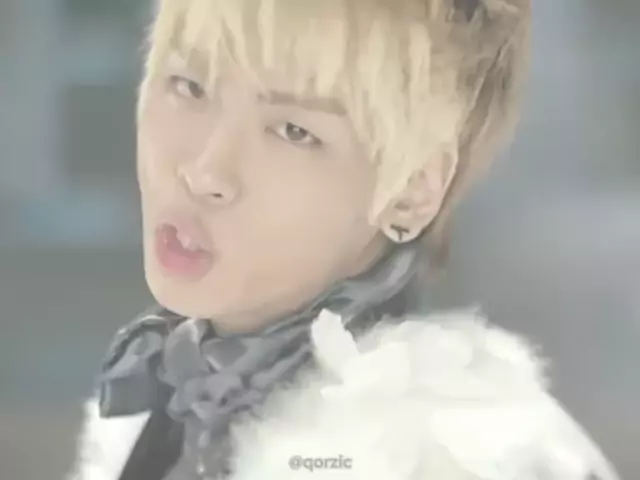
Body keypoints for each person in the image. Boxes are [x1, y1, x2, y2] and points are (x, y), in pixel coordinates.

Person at [66, 0, 621, 479]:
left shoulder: (461, 456)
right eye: (189, 85)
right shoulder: (166, 402)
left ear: (411, 190)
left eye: (294, 131)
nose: (204, 171)